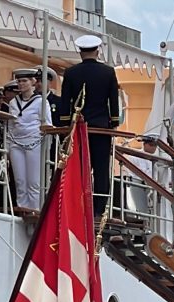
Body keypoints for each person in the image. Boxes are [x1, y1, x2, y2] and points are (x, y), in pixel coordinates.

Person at [61, 34, 120, 216]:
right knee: (101, 169)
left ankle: (77, 206)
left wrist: (65, 124)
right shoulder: (108, 72)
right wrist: (114, 122)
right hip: (101, 128)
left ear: (80, 52)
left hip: (78, 127)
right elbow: (113, 100)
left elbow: (65, 102)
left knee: (79, 168)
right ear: (97, 51)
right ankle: (99, 209)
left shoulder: (71, 73)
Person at [8, 68, 47, 210]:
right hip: (16, 143)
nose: (21, 84)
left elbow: (47, 123)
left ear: (33, 82)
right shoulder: (13, 103)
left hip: (34, 142)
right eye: (19, 81)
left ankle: (35, 210)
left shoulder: (41, 102)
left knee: (33, 182)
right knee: (20, 180)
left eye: (24, 81)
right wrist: (8, 145)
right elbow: (10, 125)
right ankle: (23, 208)